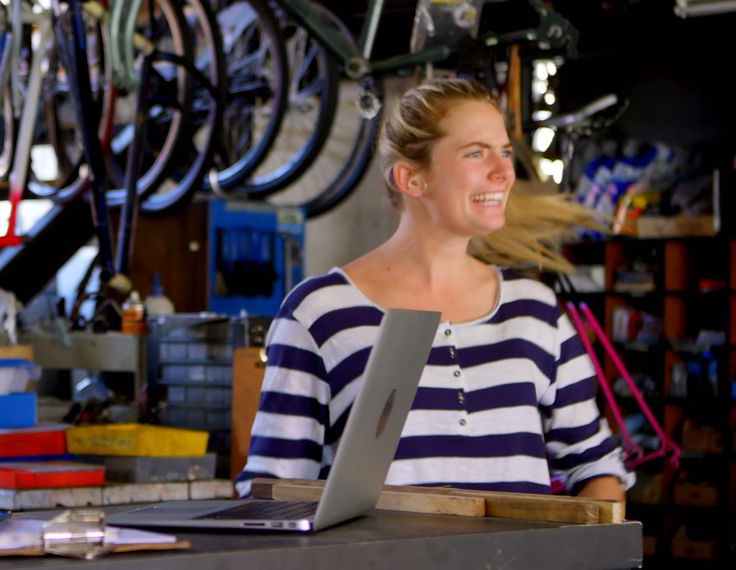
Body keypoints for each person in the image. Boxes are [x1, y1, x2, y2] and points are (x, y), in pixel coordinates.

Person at [236, 78, 632, 501]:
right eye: (476, 153)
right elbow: (269, 494)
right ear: (411, 179)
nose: (503, 172)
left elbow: (596, 468)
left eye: (504, 151)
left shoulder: (536, 312)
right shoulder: (319, 314)